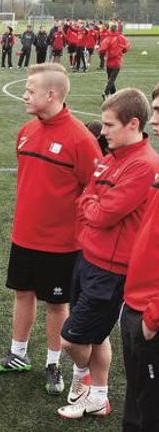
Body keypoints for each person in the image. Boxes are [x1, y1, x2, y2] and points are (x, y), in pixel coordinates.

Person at [0, 63, 102, 396]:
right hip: (24, 235)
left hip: (61, 244)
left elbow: (94, 191)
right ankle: (18, 355)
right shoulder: (25, 131)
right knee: (22, 293)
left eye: (30, 90)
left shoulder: (80, 139)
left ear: (51, 95)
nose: (24, 95)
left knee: (55, 304)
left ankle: (53, 364)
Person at [56, 88, 159, 419]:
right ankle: (99, 397)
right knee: (97, 336)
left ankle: (84, 380)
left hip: (112, 270)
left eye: (109, 125)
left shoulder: (144, 165)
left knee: (71, 339)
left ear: (132, 124)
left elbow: (101, 213)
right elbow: (85, 199)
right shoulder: (111, 158)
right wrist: (93, 203)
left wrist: (93, 204)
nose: (103, 132)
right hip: (88, 257)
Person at [120, 82, 159, 432]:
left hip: (151, 314)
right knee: (135, 403)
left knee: (149, 411)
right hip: (136, 303)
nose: (154, 120)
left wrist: (153, 316)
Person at [99, 25, 131, 101]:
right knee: (112, 79)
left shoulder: (108, 38)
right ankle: (106, 93)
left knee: (110, 78)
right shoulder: (121, 38)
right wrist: (123, 51)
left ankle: (113, 94)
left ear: (110, 29)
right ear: (117, 29)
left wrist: (102, 56)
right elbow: (127, 46)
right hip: (117, 61)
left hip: (109, 62)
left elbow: (102, 49)